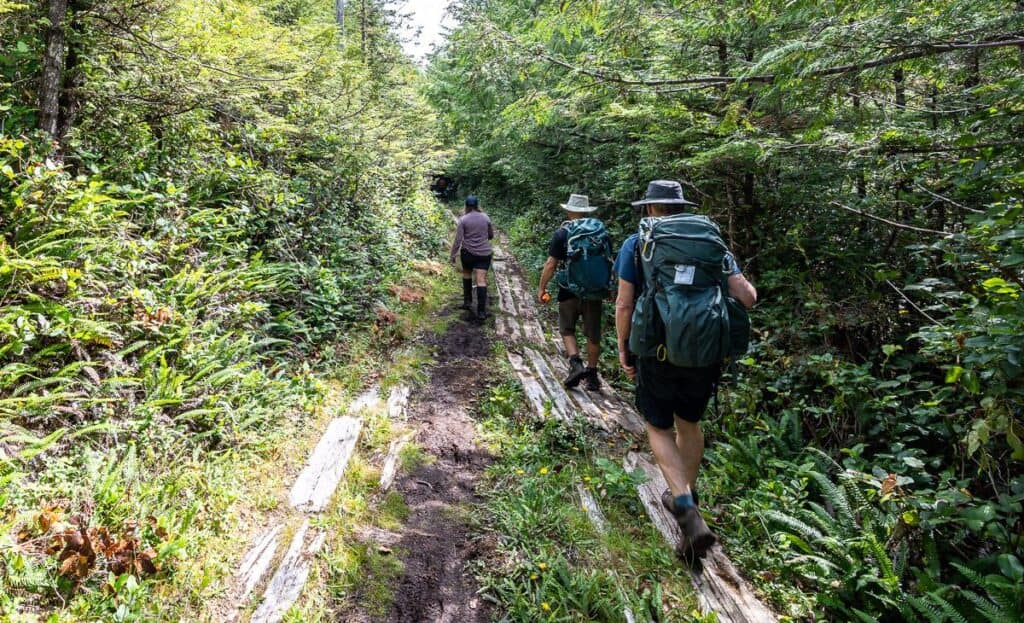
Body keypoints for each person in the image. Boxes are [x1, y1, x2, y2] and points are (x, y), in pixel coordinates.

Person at [614, 180, 757, 560]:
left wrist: (624, 348)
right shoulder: (713, 243)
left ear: (649, 208)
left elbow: (625, 304)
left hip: (656, 351)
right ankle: (687, 492)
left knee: (658, 426)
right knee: (689, 423)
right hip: (705, 353)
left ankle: (685, 507)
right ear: (680, 207)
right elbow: (747, 297)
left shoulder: (637, 244)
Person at [537, 194, 613, 391]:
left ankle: (576, 363)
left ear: (569, 211)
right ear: (587, 211)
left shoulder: (563, 233)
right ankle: (593, 375)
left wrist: (542, 287)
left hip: (568, 290)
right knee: (593, 333)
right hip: (595, 291)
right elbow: (609, 261)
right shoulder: (600, 232)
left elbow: (551, 264)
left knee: (567, 328)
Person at [450, 195, 493, 319]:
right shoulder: (486, 217)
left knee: (467, 274)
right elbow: (490, 236)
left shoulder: (463, 219)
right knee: (481, 280)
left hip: (468, 253)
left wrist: (453, 255)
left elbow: (458, 240)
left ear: (466, 206)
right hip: (484, 253)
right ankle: (481, 312)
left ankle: (467, 303)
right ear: (477, 205)